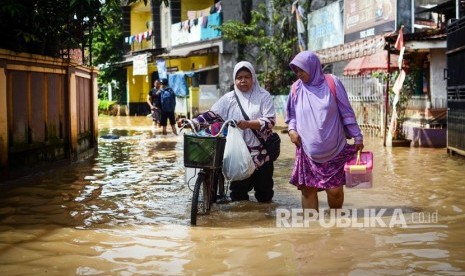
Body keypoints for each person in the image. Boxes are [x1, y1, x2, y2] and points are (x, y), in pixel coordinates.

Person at [178, 61, 277, 202]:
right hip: (239, 156)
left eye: (247, 77)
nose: (243, 80)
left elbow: (270, 121)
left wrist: (248, 124)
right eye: (239, 77)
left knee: (265, 195)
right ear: (234, 80)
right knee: (238, 196)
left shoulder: (263, 96)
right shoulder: (228, 99)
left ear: (253, 78)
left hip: (262, 156)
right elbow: (212, 115)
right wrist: (192, 123)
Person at [285, 51, 364, 211]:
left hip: (334, 148)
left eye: (301, 70)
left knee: (334, 191)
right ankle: (312, 231)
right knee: (308, 190)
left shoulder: (332, 83)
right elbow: (291, 115)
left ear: (312, 66)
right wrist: (292, 130)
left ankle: (336, 226)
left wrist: (357, 137)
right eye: (296, 71)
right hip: (307, 152)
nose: (298, 74)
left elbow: (346, 111)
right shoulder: (296, 89)